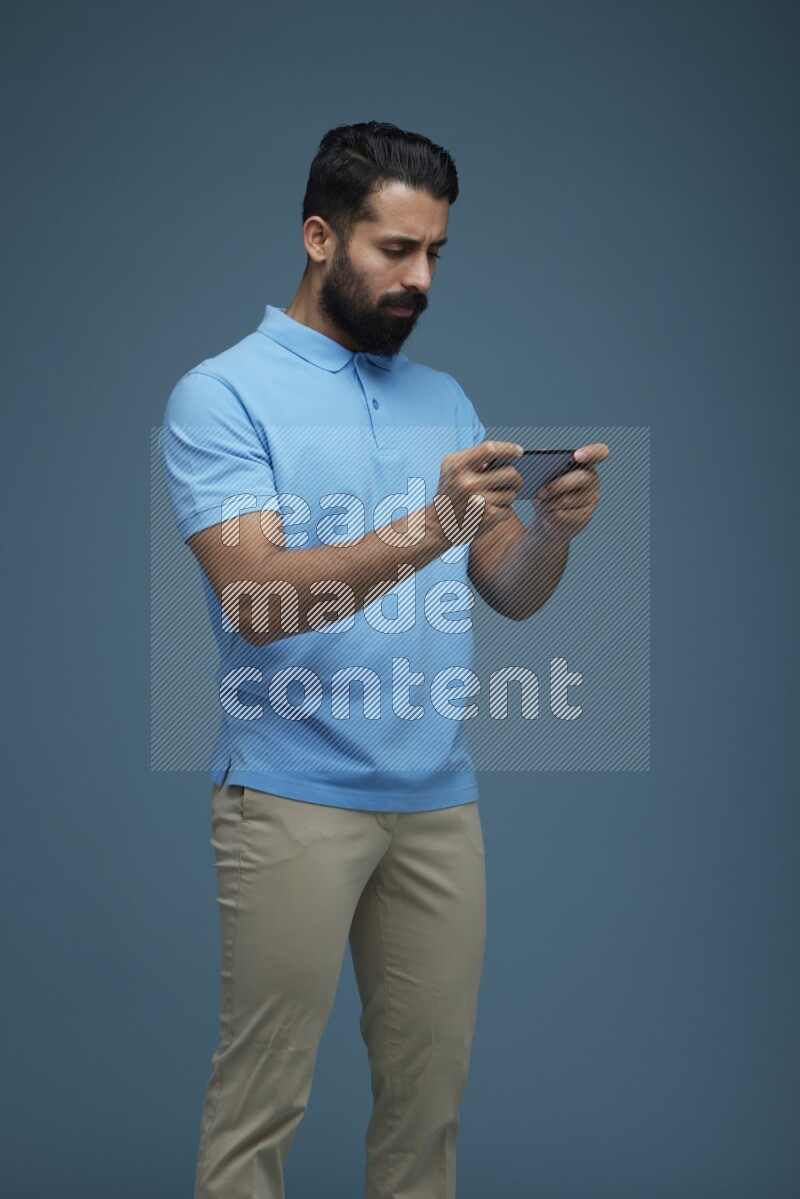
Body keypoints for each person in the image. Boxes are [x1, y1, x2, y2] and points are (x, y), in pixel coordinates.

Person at [158, 120, 607, 1199]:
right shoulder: (221, 395)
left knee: (426, 1109)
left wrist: (549, 534)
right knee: (259, 1107)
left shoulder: (442, 399)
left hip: (438, 800)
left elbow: (506, 588)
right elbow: (257, 599)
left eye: (434, 253)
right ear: (320, 237)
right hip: (289, 793)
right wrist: (430, 523)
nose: (420, 279)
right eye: (394, 250)